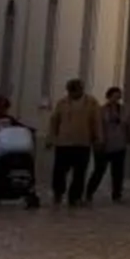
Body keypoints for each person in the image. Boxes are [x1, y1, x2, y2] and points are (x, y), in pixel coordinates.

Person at [45, 78, 97, 206]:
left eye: (75, 91)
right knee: (60, 170)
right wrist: (51, 138)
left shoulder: (91, 103)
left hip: (82, 142)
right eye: (70, 91)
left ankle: (75, 197)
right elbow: (54, 122)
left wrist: (98, 138)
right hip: (64, 142)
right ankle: (58, 192)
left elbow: (96, 121)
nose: (73, 94)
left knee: (80, 172)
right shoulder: (62, 103)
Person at [82, 86, 130, 204]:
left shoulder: (123, 110)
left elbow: (128, 125)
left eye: (118, 96)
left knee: (118, 172)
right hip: (104, 145)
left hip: (119, 145)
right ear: (109, 96)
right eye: (114, 96)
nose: (117, 98)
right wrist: (97, 141)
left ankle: (117, 194)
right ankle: (89, 192)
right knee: (99, 170)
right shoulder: (101, 110)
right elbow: (96, 126)